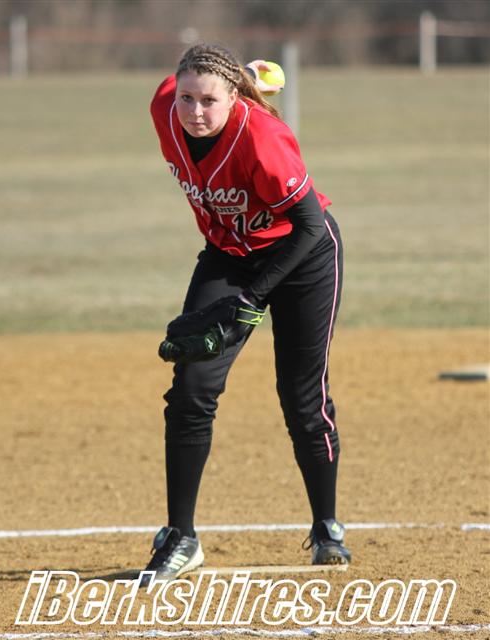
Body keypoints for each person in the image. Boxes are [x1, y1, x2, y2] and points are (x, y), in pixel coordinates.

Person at [142, 43, 351, 581]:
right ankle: (181, 537)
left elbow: (309, 226)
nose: (194, 112)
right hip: (230, 254)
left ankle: (327, 527)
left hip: (303, 258)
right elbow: (192, 86)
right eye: (187, 98)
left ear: (234, 98)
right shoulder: (165, 105)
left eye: (209, 100)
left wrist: (251, 300)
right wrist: (229, 80)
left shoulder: (261, 136)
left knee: (302, 399)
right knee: (191, 389)